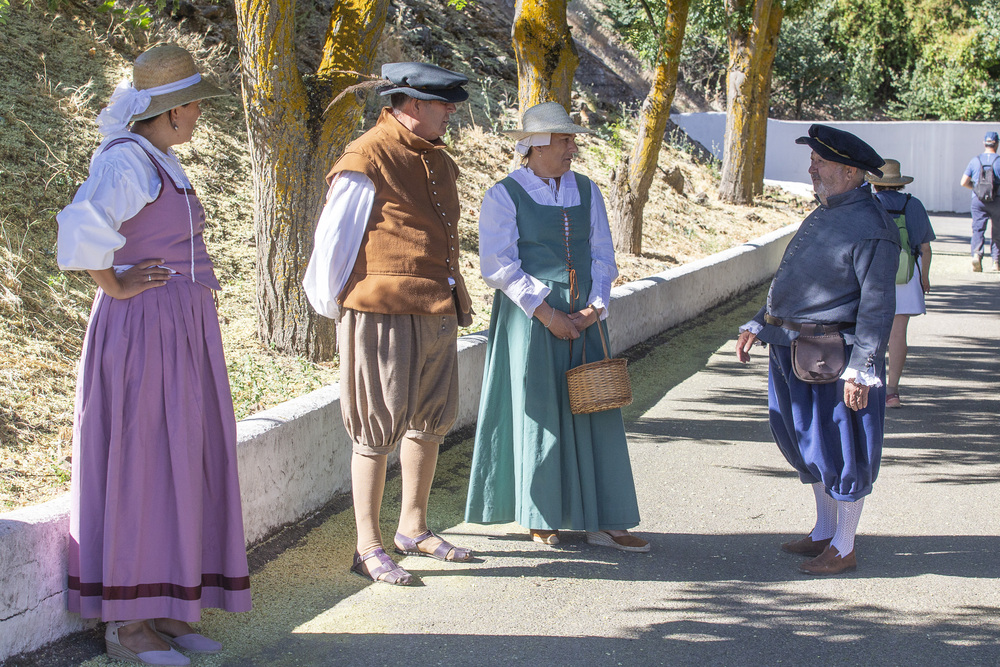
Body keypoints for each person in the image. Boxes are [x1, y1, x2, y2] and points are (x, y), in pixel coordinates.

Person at [56, 44, 250, 665]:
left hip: (180, 329)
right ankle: (129, 628)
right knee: (143, 461)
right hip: (143, 331)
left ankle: (167, 607)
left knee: (181, 458)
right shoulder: (126, 163)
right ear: (170, 112)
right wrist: (114, 283)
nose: (198, 117)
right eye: (194, 107)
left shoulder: (158, 159)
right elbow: (81, 226)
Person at [303, 62, 475, 586]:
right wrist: (340, 309)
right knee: (376, 426)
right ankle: (367, 546)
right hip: (380, 311)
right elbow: (334, 238)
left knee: (430, 419)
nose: (450, 112)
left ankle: (413, 528)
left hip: (436, 307)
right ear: (413, 104)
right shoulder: (367, 153)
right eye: (443, 104)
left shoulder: (436, 160)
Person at [464, 101, 647, 553]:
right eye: (565, 140)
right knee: (541, 410)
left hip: (584, 313)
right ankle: (540, 514)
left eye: (571, 139)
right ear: (537, 145)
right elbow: (498, 265)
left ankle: (607, 515)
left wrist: (593, 309)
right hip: (530, 318)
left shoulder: (586, 190)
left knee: (596, 406)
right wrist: (548, 313)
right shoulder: (504, 194)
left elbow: (604, 255)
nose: (572, 148)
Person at [735, 124, 899, 576]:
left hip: (835, 355)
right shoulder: (826, 211)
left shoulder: (871, 226)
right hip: (793, 346)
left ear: (849, 171)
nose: (812, 168)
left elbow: (878, 304)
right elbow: (793, 284)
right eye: (813, 160)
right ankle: (825, 529)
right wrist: (760, 321)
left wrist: (862, 368)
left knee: (843, 447)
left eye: (820, 161)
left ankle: (844, 545)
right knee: (807, 441)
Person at [867, 159, 935, 408]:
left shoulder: (868, 204)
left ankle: (868, 385)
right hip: (906, 275)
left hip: (873, 275)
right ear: (899, 184)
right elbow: (925, 248)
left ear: (875, 185)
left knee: (869, 332)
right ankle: (892, 392)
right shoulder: (913, 204)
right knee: (898, 334)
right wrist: (924, 277)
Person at [959, 131, 1000, 271]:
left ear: (984, 143)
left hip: (978, 200)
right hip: (997, 201)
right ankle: (996, 261)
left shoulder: (975, 160)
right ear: (997, 144)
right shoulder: (999, 160)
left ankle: (976, 255)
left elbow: (963, 182)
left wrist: (975, 189)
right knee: (997, 231)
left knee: (978, 229)